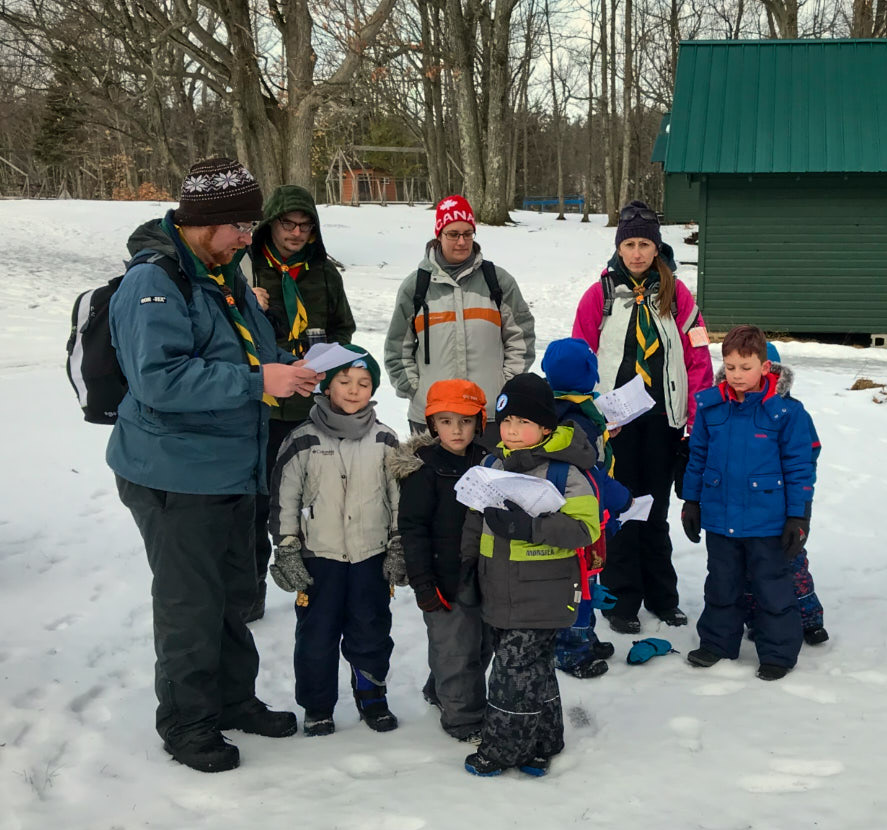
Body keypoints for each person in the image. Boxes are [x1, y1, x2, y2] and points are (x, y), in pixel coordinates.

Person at [108, 157, 320, 772]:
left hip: (231, 466)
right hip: (175, 474)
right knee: (190, 605)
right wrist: (259, 382)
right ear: (204, 221)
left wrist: (292, 368)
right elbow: (159, 379)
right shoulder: (154, 282)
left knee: (232, 596)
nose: (248, 238)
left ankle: (231, 699)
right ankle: (187, 723)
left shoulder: (223, 273)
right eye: (240, 226)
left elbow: (254, 350)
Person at [571, 200, 713, 634]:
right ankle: (622, 600)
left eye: (644, 245)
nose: (637, 253)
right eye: (629, 245)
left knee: (656, 510)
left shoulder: (678, 295)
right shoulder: (600, 296)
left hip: (663, 421)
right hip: (617, 425)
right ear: (619, 247)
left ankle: (663, 596)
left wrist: (696, 417)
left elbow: (698, 357)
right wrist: (587, 413)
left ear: (656, 248)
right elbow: (580, 356)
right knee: (622, 509)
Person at [459, 373, 601, 776]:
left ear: (546, 427)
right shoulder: (491, 465)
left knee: (511, 671)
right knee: (534, 668)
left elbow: (585, 529)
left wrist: (531, 527)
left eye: (523, 422)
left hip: (544, 592)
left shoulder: (564, 473)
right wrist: (466, 564)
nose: (512, 429)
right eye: (507, 420)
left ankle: (502, 750)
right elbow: (474, 521)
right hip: (498, 587)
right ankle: (543, 741)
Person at [269, 348, 402, 736]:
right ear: (326, 387)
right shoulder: (302, 440)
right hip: (319, 558)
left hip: (370, 556)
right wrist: (287, 546)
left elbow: (399, 498)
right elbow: (285, 497)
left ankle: (371, 696)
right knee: (316, 635)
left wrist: (399, 543)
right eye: (344, 381)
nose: (354, 390)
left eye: (363, 383)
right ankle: (318, 705)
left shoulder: (385, 440)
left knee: (371, 628)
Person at [680, 326, 818, 681]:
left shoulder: (786, 413)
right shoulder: (711, 407)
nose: (736, 375)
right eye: (730, 367)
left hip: (767, 520)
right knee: (721, 583)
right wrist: (691, 501)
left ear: (765, 367)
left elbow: (800, 468)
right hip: (721, 514)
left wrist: (798, 517)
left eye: (745, 367)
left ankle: (778, 653)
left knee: (772, 587)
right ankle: (717, 643)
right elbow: (697, 457)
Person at [246, 184, 357, 623]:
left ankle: (317, 586)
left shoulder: (324, 273)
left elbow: (344, 328)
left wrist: (328, 359)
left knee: (316, 501)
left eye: (305, 226)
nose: (296, 233)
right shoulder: (246, 268)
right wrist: (246, 302)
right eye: (288, 224)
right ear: (271, 224)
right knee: (259, 503)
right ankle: (251, 592)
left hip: (311, 406)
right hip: (262, 408)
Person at [388, 378, 493, 743]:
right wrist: (423, 582)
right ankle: (464, 719)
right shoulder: (425, 469)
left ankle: (440, 690)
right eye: (446, 422)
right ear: (433, 424)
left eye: (465, 421)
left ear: (479, 422)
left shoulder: (488, 461)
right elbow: (413, 528)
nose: (457, 430)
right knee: (455, 651)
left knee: (481, 645)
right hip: (443, 578)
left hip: (482, 574)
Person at [384, 195, 535, 433]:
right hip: (432, 416)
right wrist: (416, 390)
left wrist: (506, 384)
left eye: (468, 233)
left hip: (488, 415)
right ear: (439, 235)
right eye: (453, 234)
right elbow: (397, 349)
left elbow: (521, 338)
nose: (462, 242)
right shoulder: (416, 286)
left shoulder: (498, 281)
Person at [540, 338, 632, 678]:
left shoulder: (556, 410)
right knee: (580, 583)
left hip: (575, 510)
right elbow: (591, 473)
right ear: (590, 374)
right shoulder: (579, 420)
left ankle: (585, 638)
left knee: (587, 580)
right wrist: (621, 499)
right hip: (584, 512)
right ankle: (571, 650)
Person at [739, 343, 829, 646]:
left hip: (786, 504)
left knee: (790, 562)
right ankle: (758, 619)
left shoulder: (792, 413)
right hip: (743, 506)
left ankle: (808, 619)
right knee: (749, 566)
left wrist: (798, 508)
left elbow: (806, 459)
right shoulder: (730, 410)